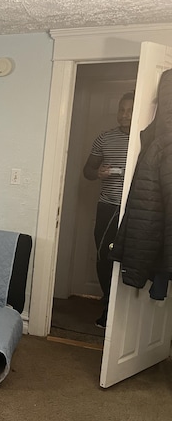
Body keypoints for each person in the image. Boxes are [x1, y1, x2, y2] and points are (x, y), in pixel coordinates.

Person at [82, 91, 134, 328]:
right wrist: (98, 173)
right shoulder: (104, 138)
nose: (124, 115)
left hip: (138, 210)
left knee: (134, 259)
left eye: (130, 110)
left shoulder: (148, 138)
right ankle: (108, 307)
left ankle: (130, 316)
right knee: (105, 258)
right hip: (108, 207)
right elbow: (87, 171)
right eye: (121, 110)